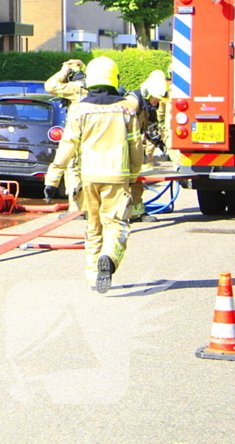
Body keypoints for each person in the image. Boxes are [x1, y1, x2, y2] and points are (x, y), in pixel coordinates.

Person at [44, 56, 141, 293]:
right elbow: (135, 146)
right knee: (116, 224)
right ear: (114, 78)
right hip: (117, 177)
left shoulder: (79, 109)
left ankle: (92, 274)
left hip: (88, 177)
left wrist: (52, 179)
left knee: (93, 226)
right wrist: (135, 175)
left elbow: (67, 145)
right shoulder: (127, 110)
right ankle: (109, 257)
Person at [124, 69, 169, 222]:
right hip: (121, 148)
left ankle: (137, 211)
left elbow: (151, 129)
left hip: (134, 147)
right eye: (155, 99)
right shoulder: (132, 103)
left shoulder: (149, 107)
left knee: (136, 180)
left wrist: (158, 142)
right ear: (146, 93)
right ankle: (120, 213)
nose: (156, 103)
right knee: (122, 182)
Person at [44, 59, 87, 215]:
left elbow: (50, 85)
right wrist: (82, 66)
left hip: (76, 135)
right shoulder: (95, 88)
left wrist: (63, 70)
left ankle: (77, 208)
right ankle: (87, 206)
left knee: (72, 168)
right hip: (94, 138)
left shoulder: (76, 89)